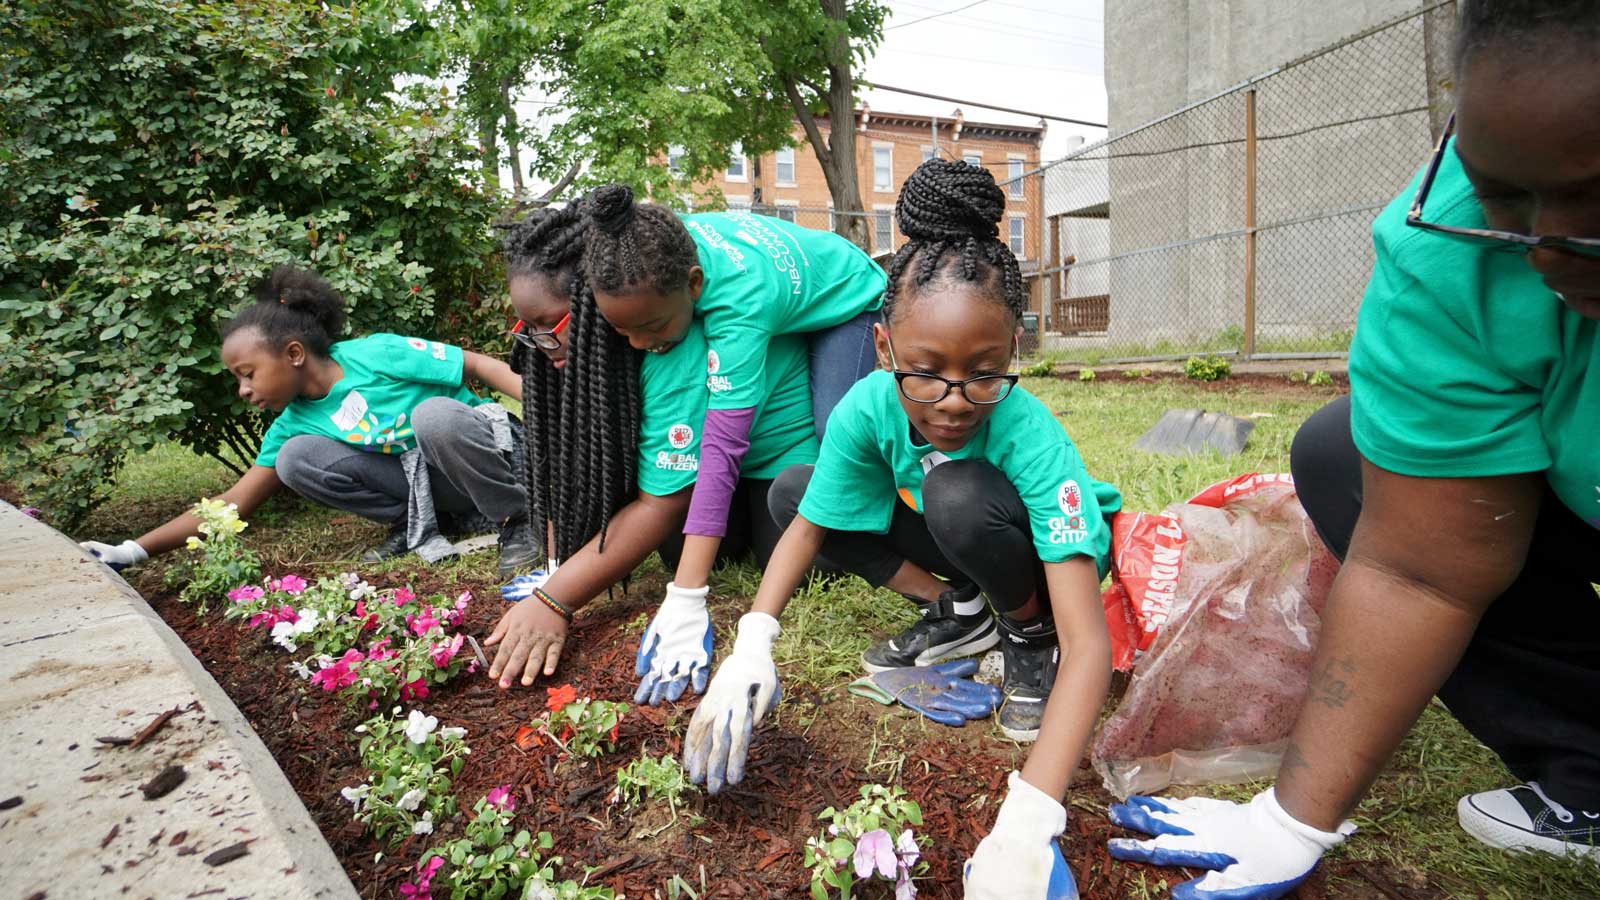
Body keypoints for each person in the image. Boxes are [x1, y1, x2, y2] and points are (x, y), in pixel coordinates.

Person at [1107, 2, 1600, 895]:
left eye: (1595, 197)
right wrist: (1290, 820)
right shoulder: (1450, 251)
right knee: (1345, 459)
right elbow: (1423, 569)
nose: (1547, 249)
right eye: (1505, 194)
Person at [677, 160, 1123, 899]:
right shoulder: (867, 405)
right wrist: (752, 641)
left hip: (1039, 560)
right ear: (884, 351)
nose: (953, 402)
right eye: (925, 372)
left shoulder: (1029, 434)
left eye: (983, 373)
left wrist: (1030, 815)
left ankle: (1019, 631)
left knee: (953, 489)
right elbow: (812, 525)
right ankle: (961, 611)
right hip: (954, 534)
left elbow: (1091, 646)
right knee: (794, 493)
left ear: (1014, 349)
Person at [484, 202, 819, 690]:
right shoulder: (626, 340)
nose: (538, 345)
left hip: (776, 460)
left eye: (550, 328)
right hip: (718, 467)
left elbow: (664, 502)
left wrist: (556, 600)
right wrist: (555, 567)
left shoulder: (669, 351)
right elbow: (564, 457)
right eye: (526, 329)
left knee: (802, 559)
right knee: (679, 545)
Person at [580, 186, 889, 704]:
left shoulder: (739, 306)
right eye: (621, 331)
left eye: (651, 327)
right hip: (779, 297)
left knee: (837, 427)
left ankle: (882, 512)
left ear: (695, 284)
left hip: (844, 300)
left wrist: (687, 594)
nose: (637, 344)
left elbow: (722, 448)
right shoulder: (648, 247)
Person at [80, 266, 537, 576]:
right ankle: (431, 522)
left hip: (497, 459)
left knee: (432, 415)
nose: (243, 390)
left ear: (293, 354)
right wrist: (132, 550)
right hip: (437, 487)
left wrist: (552, 418)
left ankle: (519, 517)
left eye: (247, 374)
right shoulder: (294, 423)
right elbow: (231, 504)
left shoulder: (374, 353)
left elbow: (482, 366)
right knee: (295, 460)